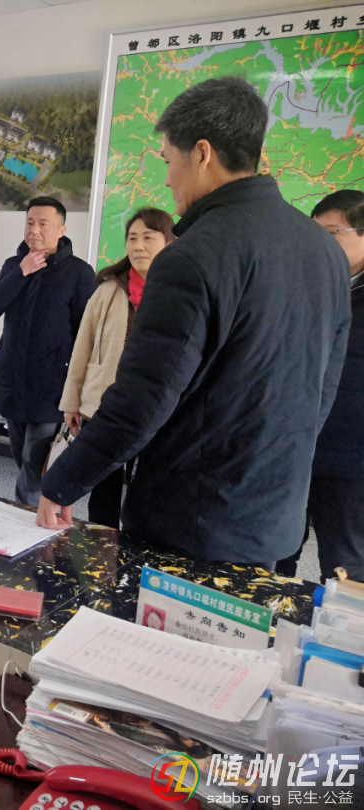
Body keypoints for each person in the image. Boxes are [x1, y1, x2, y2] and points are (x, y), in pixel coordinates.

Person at [37, 77, 351, 568]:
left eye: (168, 161)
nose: (167, 179)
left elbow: (144, 398)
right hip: (276, 512)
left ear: (202, 154)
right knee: (242, 617)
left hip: (191, 521)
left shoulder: (192, 257)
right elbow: (324, 384)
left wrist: (63, 481)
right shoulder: (323, 250)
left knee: (171, 621)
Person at [59, 208, 175, 528]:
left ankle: (137, 548)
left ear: (169, 242)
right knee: (104, 491)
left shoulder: (179, 292)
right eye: (132, 238)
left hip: (157, 410)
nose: (138, 246)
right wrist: (72, 402)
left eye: (148, 237)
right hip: (105, 406)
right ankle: (102, 549)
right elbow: (83, 347)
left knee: (149, 490)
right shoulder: (108, 290)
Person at [0, 196, 96, 506]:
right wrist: (21, 272)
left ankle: (26, 518)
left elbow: (86, 334)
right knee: (23, 458)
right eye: (30, 223)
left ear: (61, 230)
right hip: (12, 382)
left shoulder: (79, 273)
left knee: (35, 464)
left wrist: (78, 391)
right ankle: (32, 511)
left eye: (43, 224)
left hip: (50, 387)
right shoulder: (13, 265)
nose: (34, 230)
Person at [277, 191, 364, 581]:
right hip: (293, 450)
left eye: (332, 234)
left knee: (345, 569)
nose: (320, 247)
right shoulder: (306, 289)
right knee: (274, 556)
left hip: (350, 462)